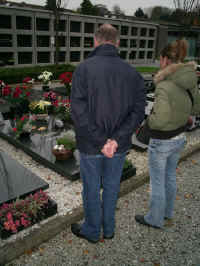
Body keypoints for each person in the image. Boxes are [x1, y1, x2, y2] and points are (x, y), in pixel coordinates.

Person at [70, 24, 146, 243]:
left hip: (91, 145)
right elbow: (138, 112)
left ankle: (93, 231)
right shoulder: (132, 73)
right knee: (112, 187)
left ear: (95, 40)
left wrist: (103, 141)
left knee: (92, 189)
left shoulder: (83, 69)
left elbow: (78, 111)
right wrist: (115, 140)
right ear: (117, 42)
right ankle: (109, 229)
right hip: (118, 146)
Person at [135, 39, 200, 229]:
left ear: (165, 60)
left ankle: (154, 219)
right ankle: (167, 212)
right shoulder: (190, 80)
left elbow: (160, 119)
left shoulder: (164, 86)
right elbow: (197, 107)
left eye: (160, 59)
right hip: (179, 138)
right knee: (170, 177)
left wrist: (149, 122)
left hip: (162, 141)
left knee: (157, 182)